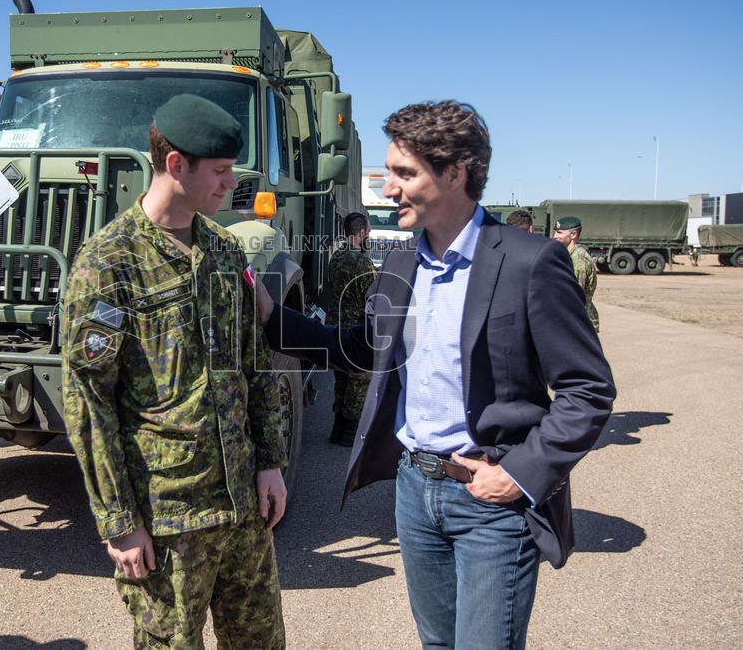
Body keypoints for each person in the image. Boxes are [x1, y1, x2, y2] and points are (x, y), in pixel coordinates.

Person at [255, 100, 616, 649]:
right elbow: (358, 349)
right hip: (414, 492)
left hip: (491, 501)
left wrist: (518, 474)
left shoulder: (530, 262)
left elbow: (588, 391)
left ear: (455, 172)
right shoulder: (401, 264)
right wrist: (270, 314)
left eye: (404, 173)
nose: (389, 190)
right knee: (437, 644)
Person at [62, 94, 288, 649]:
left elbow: (254, 362)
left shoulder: (224, 249)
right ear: (174, 165)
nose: (229, 183)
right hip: (168, 516)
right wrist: (119, 520)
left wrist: (271, 463)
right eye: (219, 171)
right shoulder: (108, 263)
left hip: (242, 508)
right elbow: (89, 404)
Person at [323, 212, 377, 445]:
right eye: (369, 233)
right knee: (358, 382)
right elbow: (372, 296)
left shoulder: (336, 257)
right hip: (355, 330)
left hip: (335, 327)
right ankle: (348, 436)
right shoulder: (363, 262)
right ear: (361, 233)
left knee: (341, 380)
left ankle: (337, 430)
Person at [552, 216, 600, 332]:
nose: (555, 236)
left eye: (559, 232)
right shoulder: (571, 256)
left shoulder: (578, 259)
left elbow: (575, 296)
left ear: (573, 234)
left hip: (579, 320)